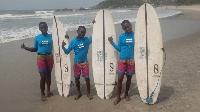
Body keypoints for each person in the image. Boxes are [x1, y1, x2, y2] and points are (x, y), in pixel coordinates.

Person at [21, 22, 54, 101]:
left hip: (49, 57)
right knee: (43, 77)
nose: (43, 29)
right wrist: (25, 48)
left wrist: (66, 37)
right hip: (41, 58)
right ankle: (42, 94)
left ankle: (48, 91)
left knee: (48, 75)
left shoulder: (52, 36)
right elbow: (35, 49)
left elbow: (59, 42)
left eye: (45, 27)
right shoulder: (37, 38)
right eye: (41, 28)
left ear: (47, 27)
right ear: (39, 29)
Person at [62, 26, 93, 100]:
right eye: (81, 32)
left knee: (87, 78)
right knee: (76, 78)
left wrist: (95, 23)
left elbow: (96, 35)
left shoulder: (87, 40)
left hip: (85, 63)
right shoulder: (73, 42)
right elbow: (67, 52)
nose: (82, 34)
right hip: (77, 64)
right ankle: (78, 92)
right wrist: (63, 46)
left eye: (84, 32)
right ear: (77, 31)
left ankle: (88, 93)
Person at [108, 20, 135, 105]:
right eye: (125, 28)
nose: (128, 29)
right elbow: (119, 49)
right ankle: (118, 97)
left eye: (128, 26)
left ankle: (126, 94)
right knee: (119, 79)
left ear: (131, 25)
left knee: (129, 78)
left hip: (131, 61)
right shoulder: (121, 37)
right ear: (123, 29)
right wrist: (111, 42)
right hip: (122, 60)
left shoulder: (135, 35)